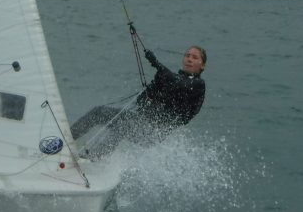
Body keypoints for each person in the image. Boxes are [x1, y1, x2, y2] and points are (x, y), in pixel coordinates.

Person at [70, 44, 207, 151]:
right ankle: (65, 141)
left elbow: (181, 85)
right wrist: (152, 89)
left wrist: (157, 65)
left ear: (202, 65)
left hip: (153, 134)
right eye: (187, 55)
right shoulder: (172, 78)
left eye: (195, 57)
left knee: (123, 125)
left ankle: (94, 157)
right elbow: (146, 102)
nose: (189, 59)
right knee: (98, 112)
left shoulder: (198, 85)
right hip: (140, 122)